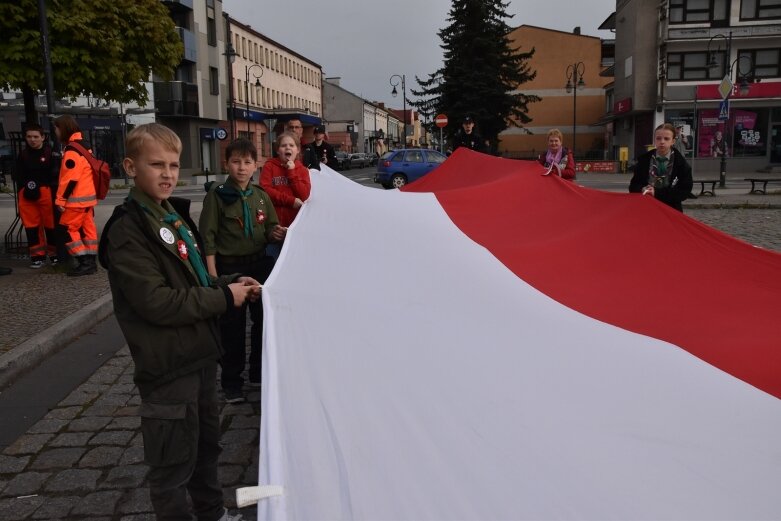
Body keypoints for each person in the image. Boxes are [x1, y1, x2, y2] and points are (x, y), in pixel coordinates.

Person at [98, 123, 255, 521]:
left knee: (206, 448)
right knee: (172, 466)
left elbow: (194, 279)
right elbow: (157, 303)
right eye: (157, 165)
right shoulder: (128, 230)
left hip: (200, 356)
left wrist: (229, 282)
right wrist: (224, 297)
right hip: (168, 367)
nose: (168, 174)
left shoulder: (172, 215)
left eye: (174, 164)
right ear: (130, 167)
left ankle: (212, 513)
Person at [199, 139, 285, 403]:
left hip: (258, 265)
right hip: (230, 268)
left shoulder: (260, 196)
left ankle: (258, 373)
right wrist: (213, 277)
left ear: (255, 165)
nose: (242, 168)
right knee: (232, 328)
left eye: (247, 162)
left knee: (262, 323)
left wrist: (276, 232)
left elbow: (269, 228)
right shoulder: (217, 196)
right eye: (236, 162)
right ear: (227, 164)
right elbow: (208, 236)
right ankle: (232, 382)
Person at [53, 115, 98, 276]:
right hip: (87, 198)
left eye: (56, 129)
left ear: (63, 129)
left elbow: (69, 179)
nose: (56, 132)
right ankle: (91, 262)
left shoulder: (72, 150)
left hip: (76, 200)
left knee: (67, 229)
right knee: (88, 228)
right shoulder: (84, 146)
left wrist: (60, 200)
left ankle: (84, 262)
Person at [260, 132, 312, 258]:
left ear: (297, 150)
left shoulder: (303, 170)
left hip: (294, 229)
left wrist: (291, 172)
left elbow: (304, 195)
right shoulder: (269, 166)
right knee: (271, 260)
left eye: (291, 145)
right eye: (283, 145)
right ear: (278, 150)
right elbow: (265, 190)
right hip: (274, 228)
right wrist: (290, 201)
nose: (288, 148)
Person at [14, 123, 58, 268]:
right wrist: (23, 189)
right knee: (32, 227)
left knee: (50, 226)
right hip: (26, 194)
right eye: (29, 137)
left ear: (43, 137)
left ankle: (54, 254)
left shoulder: (50, 153)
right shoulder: (23, 155)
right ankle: (37, 256)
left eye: (35, 137)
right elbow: (17, 174)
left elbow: (55, 175)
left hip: (46, 192)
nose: (32, 140)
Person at [629, 123, 693, 212]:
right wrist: (642, 189)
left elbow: (684, 191)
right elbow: (633, 186)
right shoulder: (644, 161)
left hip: (671, 209)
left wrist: (657, 193)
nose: (662, 142)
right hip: (647, 209)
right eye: (658, 138)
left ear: (673, 141)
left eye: (666, 139)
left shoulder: (681, 164)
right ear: (654, 140)